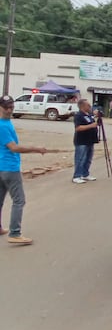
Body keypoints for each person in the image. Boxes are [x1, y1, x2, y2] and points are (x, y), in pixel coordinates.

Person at [0, 95, 46, 244]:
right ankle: (15, 233)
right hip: (9, 168)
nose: (9, 109)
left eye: (11, 106)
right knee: (19, 200)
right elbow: (13, 148)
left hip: (3, 166)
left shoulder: (7, 122)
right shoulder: (2, 126)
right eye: (6, 107)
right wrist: (35, 148)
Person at [72, 99, 99, 184]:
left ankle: (85, 174)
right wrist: (91, 126)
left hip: (90, 140)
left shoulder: (89, 115)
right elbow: (78, 128)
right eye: (88, 105)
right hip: (81, 141)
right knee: (80, 159)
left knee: (88, 158)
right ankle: (77, 176)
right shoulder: (79, 116)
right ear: (83, 106)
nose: (90, 107)